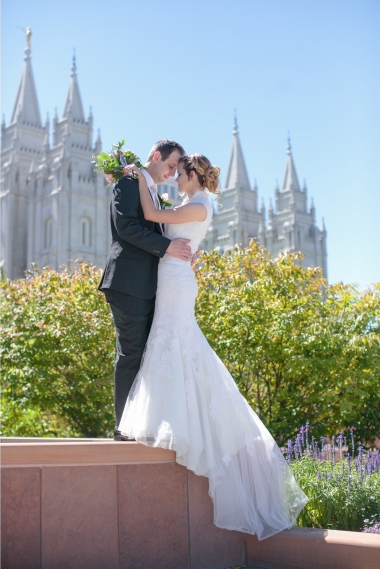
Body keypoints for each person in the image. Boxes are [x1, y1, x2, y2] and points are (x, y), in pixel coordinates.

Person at [118, 154, 308, 539]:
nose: (176, 182)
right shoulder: (193, 204)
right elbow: (173, 226)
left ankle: (180, 424)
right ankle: (171, 418)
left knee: (174, 344)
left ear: (192, 175)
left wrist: (139, 176)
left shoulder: (201, 203)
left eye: (180, 176)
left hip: (176, 282)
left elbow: (154, 216)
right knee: (171, 346)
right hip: (173, 278)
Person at [98, 140, 192, 440]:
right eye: (169, 166)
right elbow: (125, 227)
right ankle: (123, 428)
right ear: (155, 157)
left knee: (148, 355)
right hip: (128, 282)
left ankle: (141, 423)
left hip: (150, 286)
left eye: (176, 170)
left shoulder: (151, 193)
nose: (171, 174)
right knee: (131, 353)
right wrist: (167, 246)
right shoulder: (128, 183)